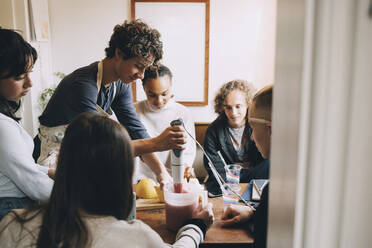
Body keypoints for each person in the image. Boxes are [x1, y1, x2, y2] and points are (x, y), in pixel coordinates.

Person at [0, 113, 214, 247]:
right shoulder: (136, 238)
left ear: (64, 165)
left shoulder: (13, 225)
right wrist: (195, 226)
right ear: (121, 175)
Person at [34, 20, 186, 185]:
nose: (142, 75)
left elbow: (135, 129)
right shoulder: (82, 85)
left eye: (145, 68)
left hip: (80, 155)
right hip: (53, 160)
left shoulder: (120, 84)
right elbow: (100, 144)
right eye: (138, 66)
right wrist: (156, 143)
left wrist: (161, 173)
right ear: (119, 53)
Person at [0, 28, 54, 220]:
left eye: (29, 73)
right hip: (9, 209)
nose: (29, 83)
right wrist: (75, 195)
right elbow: (30, 180)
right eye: (19, 77)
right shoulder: (2, 128)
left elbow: (21, 165)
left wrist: (50, 171)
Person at [221, 85, 273, 248]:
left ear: (270, 129)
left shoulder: (273, 191)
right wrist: (253, 214)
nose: (251, 137)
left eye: (252, 127)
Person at [203, 80, 268, 195]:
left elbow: (266, 163)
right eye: (228, 107)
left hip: (257, 182)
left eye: (238, 106)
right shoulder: (213, 131)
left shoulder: (258, 126)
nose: (233, 113)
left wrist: (239, 175)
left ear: (248, 104)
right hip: (226, 186)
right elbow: (215, 169)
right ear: (222, 107)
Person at [133, 64, 196, 182]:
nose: (159, 101)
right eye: (152, 95)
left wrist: (186, 167)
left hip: (171, 180)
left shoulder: (183, 113)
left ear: (171, 87)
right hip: (140, 180)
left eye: (164, 94)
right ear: (144, 89)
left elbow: (188, 151)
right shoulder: (134, 111)